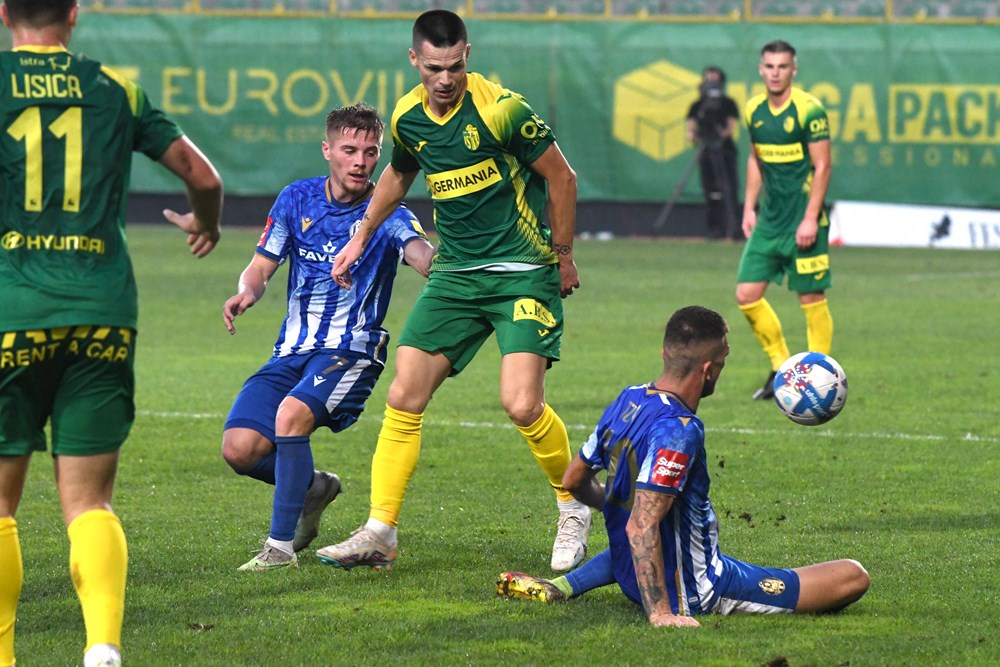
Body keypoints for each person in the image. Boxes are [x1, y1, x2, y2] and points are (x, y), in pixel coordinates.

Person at [319, 9, 589, 573]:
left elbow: (562, 176)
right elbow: (399, 174)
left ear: (468, 56)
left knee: (521, 404)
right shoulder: (407, 116)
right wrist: (360, 235)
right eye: (434, 68)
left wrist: (563, 256)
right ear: (414, 60)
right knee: (403, 394)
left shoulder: (503, 110)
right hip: (456, 274)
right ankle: (380, 531)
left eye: (455, 67)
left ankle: (574, 505)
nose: (445, 79)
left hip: (521, 269)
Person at [0, 1, 223, 665]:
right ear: (74, 14)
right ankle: (101, 647)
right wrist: (207, 222)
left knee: (2, 506)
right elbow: (203, 176)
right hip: (102, 309)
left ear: (4, 13)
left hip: (13, 310)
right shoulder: (117, 90)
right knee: (90, 501)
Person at [496, 306, 870, 626]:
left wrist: (614, 503)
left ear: (665, 353)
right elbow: (642, 526)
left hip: (632, 574)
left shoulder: (629, 399)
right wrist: (661, 613)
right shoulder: (680, 430)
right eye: (723, 362)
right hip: (696, 588)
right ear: (708, 369)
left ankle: (563, 585)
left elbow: (573, 479)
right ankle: (661, 602)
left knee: (650, 518)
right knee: (853, 576)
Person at [221, 103, 434, 572]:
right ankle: (314, 488)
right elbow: (261, 265)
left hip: (351, 350)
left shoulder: (388, 213)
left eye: (371, 152)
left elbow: (421, 254)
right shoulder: (296, 199)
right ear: (327, 150)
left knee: (290, 416)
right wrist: (247, 292)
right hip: (292, 350)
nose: (360, 161)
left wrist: (437, 260)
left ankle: (279, 550)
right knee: (239, 448)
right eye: (349, 150)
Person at [738, 40, 834, 401]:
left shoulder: (810, 110)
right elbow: (755, 159)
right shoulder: (754, 110)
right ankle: (781, 367)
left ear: (794, 70)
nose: (775, 73)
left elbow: (823, 166)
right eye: (770, 66)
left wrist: (810, 218)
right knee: (747, 294)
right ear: (761, 69)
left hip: (803, 220)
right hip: (770, 221)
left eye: (782, 66)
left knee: (810, 296)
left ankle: (821, 377)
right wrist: (749, 207)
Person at [685, 66, 741, 240]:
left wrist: (719, 136)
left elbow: (730, 127)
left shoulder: (728, 103)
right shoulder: (697, 105)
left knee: (729, 189)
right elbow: (691, 129)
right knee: (710, 191)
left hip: (725, 152)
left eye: (715, 79)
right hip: (706, 151)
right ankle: (714, 228)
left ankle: (734, 229)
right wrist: (698, 137)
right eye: (708, 78)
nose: (711, 82)